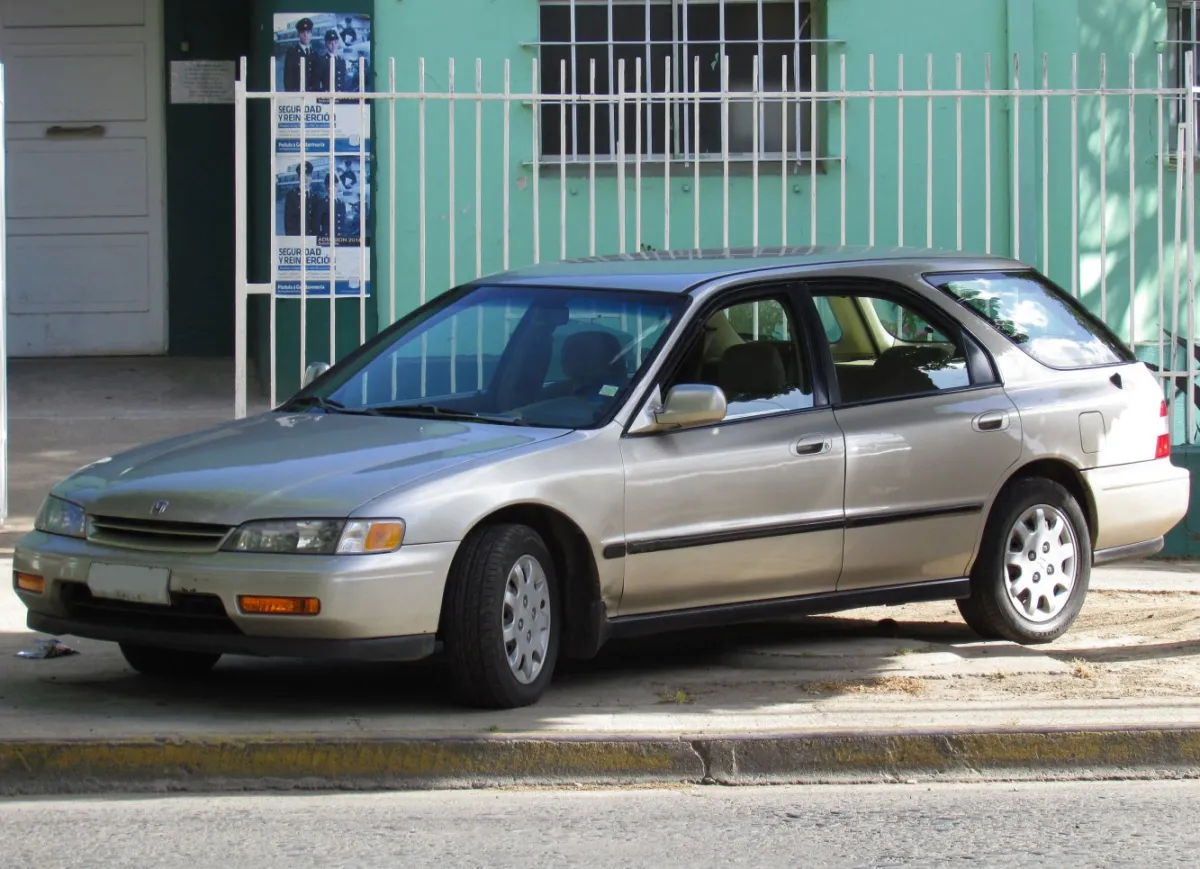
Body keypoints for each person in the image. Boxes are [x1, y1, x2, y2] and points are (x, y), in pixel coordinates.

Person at [282, 17, 320, 92]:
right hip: (297, 94)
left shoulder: (314, 54)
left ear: (311, 34)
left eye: (308, 32)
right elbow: (288, 78)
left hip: (312, 95)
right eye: (303, 32)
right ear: (298, 34)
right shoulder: (292, 53)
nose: (306, 35)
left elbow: (316, 78)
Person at [283, 161, 316, 236]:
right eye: (303, 176)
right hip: (297, 240)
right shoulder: (291, 196)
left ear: (311, 177)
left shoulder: (315, 198)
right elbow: (288, 223)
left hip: (312, 241)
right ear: (298, 177)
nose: (306, 178)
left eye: (308, 175)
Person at [316, 28, 348, 93]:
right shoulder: (321, 61)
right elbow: (316, 82)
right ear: (326, 44)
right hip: (327, 96)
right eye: (330, 43)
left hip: (341, 96)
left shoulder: (342, 61)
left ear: (338, 43)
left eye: (335, 42)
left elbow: (342, 81)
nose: (333, 46)